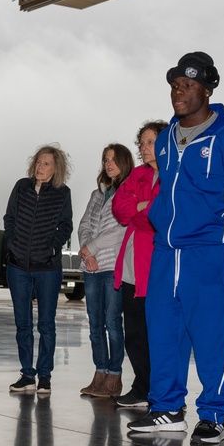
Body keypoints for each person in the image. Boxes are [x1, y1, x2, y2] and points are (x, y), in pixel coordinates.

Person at [128, 52, 224, 446]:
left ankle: (214, 415)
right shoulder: (167, 137)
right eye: (174, 85)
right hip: (166, 251)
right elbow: (166, 188)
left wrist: (210, 220)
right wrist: (160, 214)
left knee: (210, 335)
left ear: (207, 88)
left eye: (187, 85)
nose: (178, 92)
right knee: (163, 332)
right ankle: (166, 408)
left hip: (208, 251)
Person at [1, 145, 74, 394]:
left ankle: (45, 375)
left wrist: (52, 247)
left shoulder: (62, 193)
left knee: (46, 325)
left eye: (46, 164)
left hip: (48, 268)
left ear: (56, 169)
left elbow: (66, 226)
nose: (40, 167)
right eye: (38, 162)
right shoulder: (21, 187)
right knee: (22, 324)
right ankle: (27, 375)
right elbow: (9, 218)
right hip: (18, 266)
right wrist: (11, 244)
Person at [112, 121, 168, 410]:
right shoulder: (137, 174)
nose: (143, 148)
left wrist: (141, 208)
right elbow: (119, 209)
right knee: (133, 332)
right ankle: (141, 386)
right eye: (142, 143)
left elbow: (160, 216)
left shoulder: (174, 175)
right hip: (131, 267)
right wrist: (140, 207)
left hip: (155, 268)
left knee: (156, 334)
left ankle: (161, 392)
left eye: (149, 142)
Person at [78, 144, 134, 398]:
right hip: (91, 267)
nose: (108, 164)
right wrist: (87, 251)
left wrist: (92, 247)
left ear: (124, 162)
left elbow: (122, 230)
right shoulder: (96, 195)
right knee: (95, 324)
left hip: (113, 265)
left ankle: (114, 376)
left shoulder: (129, 191)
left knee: (112, 322)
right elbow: (84, 225)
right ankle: (99, 372)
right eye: (105, 160)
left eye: (113, 160)